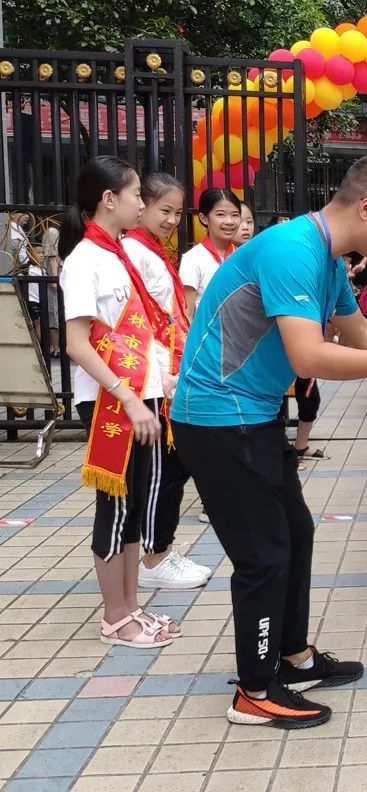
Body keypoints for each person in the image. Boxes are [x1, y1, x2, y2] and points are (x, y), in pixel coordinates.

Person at [171, 153, 367, 728]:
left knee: (295, 532)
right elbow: (309, 355)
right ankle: (253, 690)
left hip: (254, 414)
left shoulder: (325, 258)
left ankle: (292, 657)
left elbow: (357, 330)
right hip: (220, 418)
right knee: (263, 554)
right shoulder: (292, 250)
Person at [59, 155, 180, 649]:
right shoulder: (83, 260)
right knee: (114, 507)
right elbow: (77, 342)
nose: (139, 202)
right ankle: (114, 616)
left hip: (142, 397)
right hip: (115, 402)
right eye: (134, 194)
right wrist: (128, 397)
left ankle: (132, 607)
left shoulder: (119, 255)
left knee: (133, 509)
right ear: (110, 199)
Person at [121, 172, 212, 590]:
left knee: (171, 467)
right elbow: (138, 324)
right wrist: (161, 373)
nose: (173, 219)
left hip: (168, 372)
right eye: (164, 210)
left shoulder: (151, 251)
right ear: (142, 206)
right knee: (164, 470)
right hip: (152, 376)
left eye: (178, 212)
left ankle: (160, 550)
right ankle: (155, 558)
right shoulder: (134, 252)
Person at [179, 188, 240, 314]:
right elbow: (187, 313)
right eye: (220, 214)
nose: (229, 221)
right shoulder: (192, 259)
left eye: (235, 215)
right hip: (205, 331)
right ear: (204, 218)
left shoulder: (243, 256)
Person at [42, 217, 62, 357]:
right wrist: (54, 277)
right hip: (54, 277)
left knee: (56, 312)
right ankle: (55, 347)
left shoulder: (54, 231)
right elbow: (52, 256)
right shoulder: (52, 232)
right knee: (55, 312)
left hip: (57, 276)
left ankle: (56, 346)